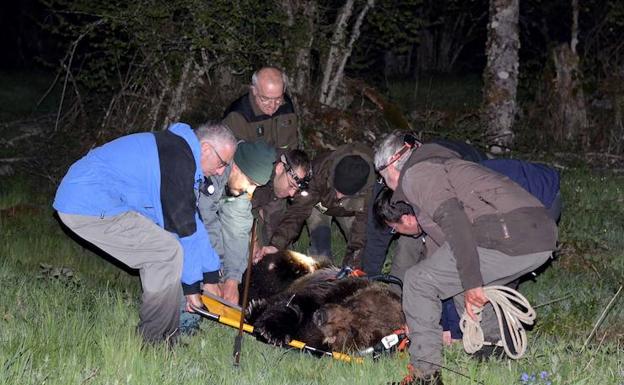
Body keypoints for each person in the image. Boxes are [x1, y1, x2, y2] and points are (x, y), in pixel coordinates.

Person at [374, 132, 557, 385]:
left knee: (418, 281)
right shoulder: (439, 166)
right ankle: (492, 349)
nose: (385, 184)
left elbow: (455, 222)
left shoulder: (417, 174)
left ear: (392, 165)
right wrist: (418, 319)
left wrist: (472, 284)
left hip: (507, 233)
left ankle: (424, 376)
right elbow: (442, 254)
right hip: (538, 235)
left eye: (382, 177)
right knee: (454, 269)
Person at [53, 121, 237, 346]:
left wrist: (210, 277)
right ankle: (154, 341)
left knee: (167, 247)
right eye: (222, 163)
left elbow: (193, 223)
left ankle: (166, 336)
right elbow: (185, 231)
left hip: (101, 200)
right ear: (206, 148)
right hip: (87, 202)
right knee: (165, 253)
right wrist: (192, 289)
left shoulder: (181, 153)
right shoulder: (177, 161)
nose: (220, 172)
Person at [254, 143, 375, 267]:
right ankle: (322, 267)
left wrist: (351, 269)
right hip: (319, 204)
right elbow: (297, 212)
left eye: (343, 193)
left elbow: (360, 235)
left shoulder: (370, 191)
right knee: (322, 251)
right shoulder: (319, 171)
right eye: (336, 189)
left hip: (349, 210)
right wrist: (276, 245)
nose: (337, 196)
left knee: (363, 248)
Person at [195, 140, 277, 306]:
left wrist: (232, 280)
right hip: (169, 224)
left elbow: (237, 232)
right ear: (235, 167)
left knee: (244, 247)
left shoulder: (239, 191)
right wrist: (214, 275)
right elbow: (205, 224)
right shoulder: (209, 172)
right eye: (251, 183)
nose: (251, 191)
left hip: (202, 227)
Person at [223, 66, 298, 150]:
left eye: (278, 99)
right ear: (254, 90)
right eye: (265, 99)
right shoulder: (237, 116)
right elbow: (237, 156)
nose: (272, 106)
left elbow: (292, 144)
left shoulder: (287, 107)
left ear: (283, 90)